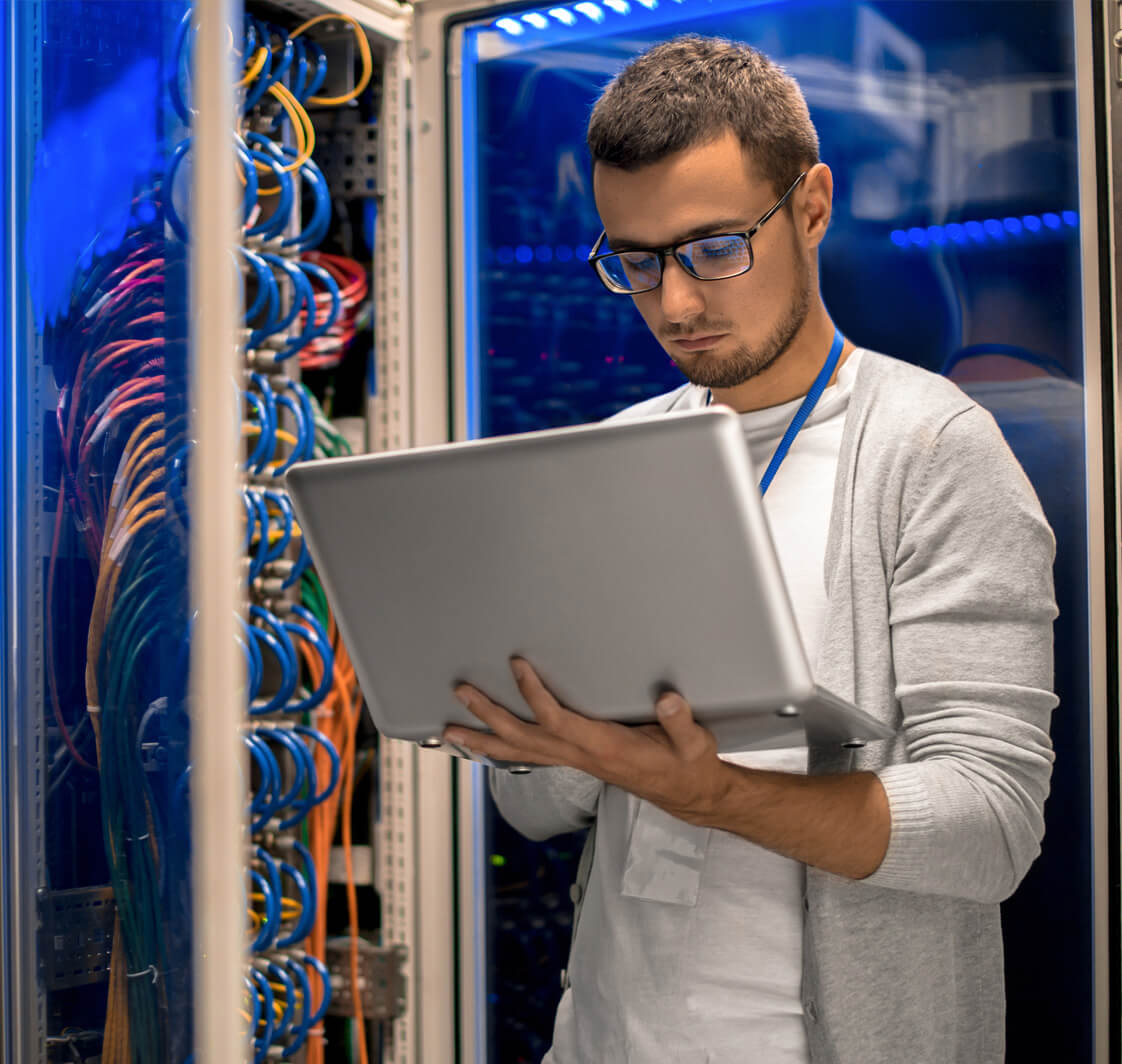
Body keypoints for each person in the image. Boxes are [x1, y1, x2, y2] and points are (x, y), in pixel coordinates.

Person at [441, 36, 1057, 1064]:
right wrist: (552, 737)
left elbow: (991, 821)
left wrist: (710, 789)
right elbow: (534, 805)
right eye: (635, 262)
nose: (674, 303)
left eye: (715, 247)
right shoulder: (615, 458)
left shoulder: (929, 447)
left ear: (811, 206)